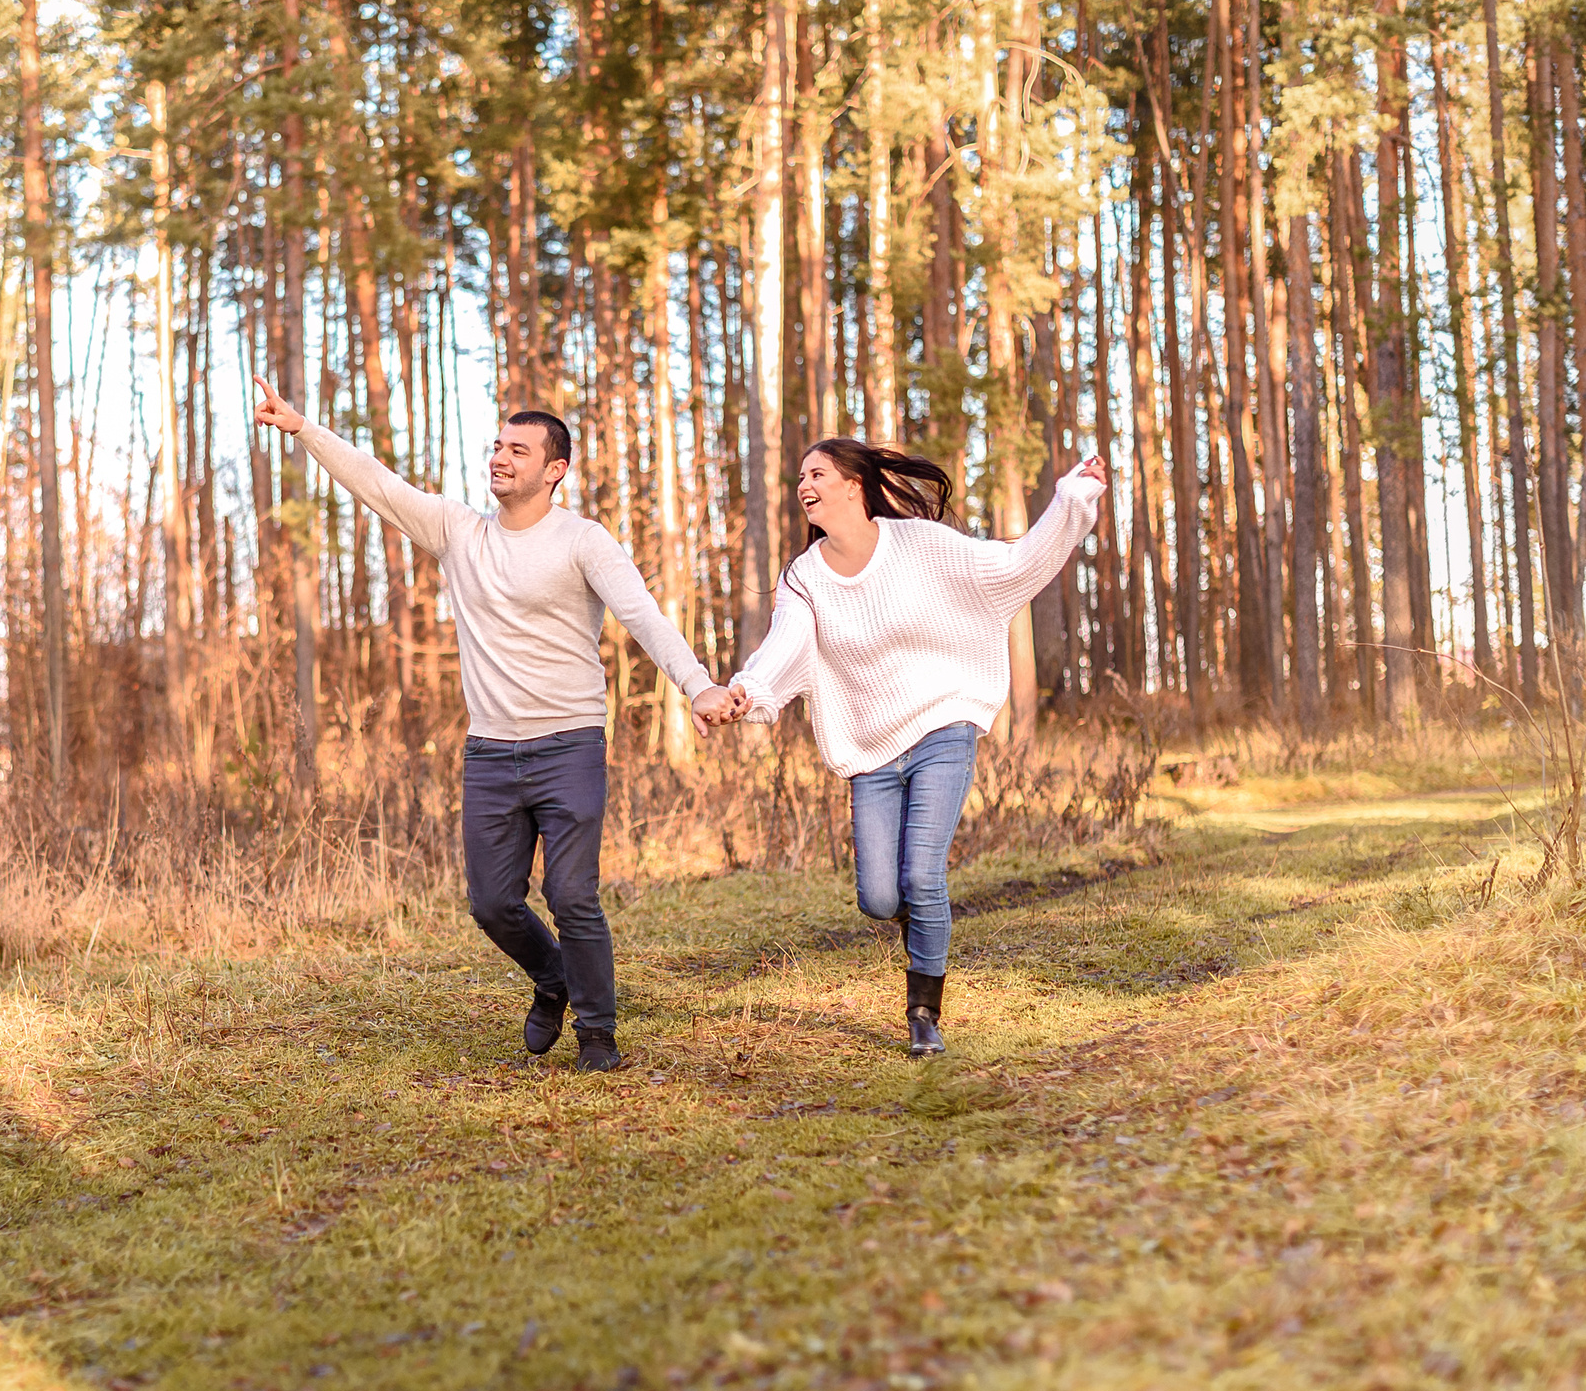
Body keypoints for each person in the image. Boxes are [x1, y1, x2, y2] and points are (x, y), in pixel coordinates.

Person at [252, 377, 736, 1072]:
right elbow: (377, 483)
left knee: (572, 895)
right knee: (492, 903)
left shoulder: (583, 541)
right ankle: (553, 978)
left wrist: (698, 684)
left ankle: (597, 1034)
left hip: (569, 744)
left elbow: (644, 616)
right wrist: (303, 428)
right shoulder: (458, 532)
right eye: (498, 446)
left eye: (519, 449)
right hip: (489, 755)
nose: (501, 458)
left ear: (555, 469)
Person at [700, 438, 1108, 1057]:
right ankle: (923, 924)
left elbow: (1014, 566)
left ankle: (924, 1014)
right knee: (879, 898)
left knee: (922, 876)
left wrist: (1071, 501)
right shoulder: (804, 577)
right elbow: (786, 645)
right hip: (871, 749)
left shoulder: (921, 544)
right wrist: (747, 692)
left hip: (943, 726)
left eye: (817, 473)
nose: (804, 484)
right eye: (800, 475)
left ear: (853, 486)